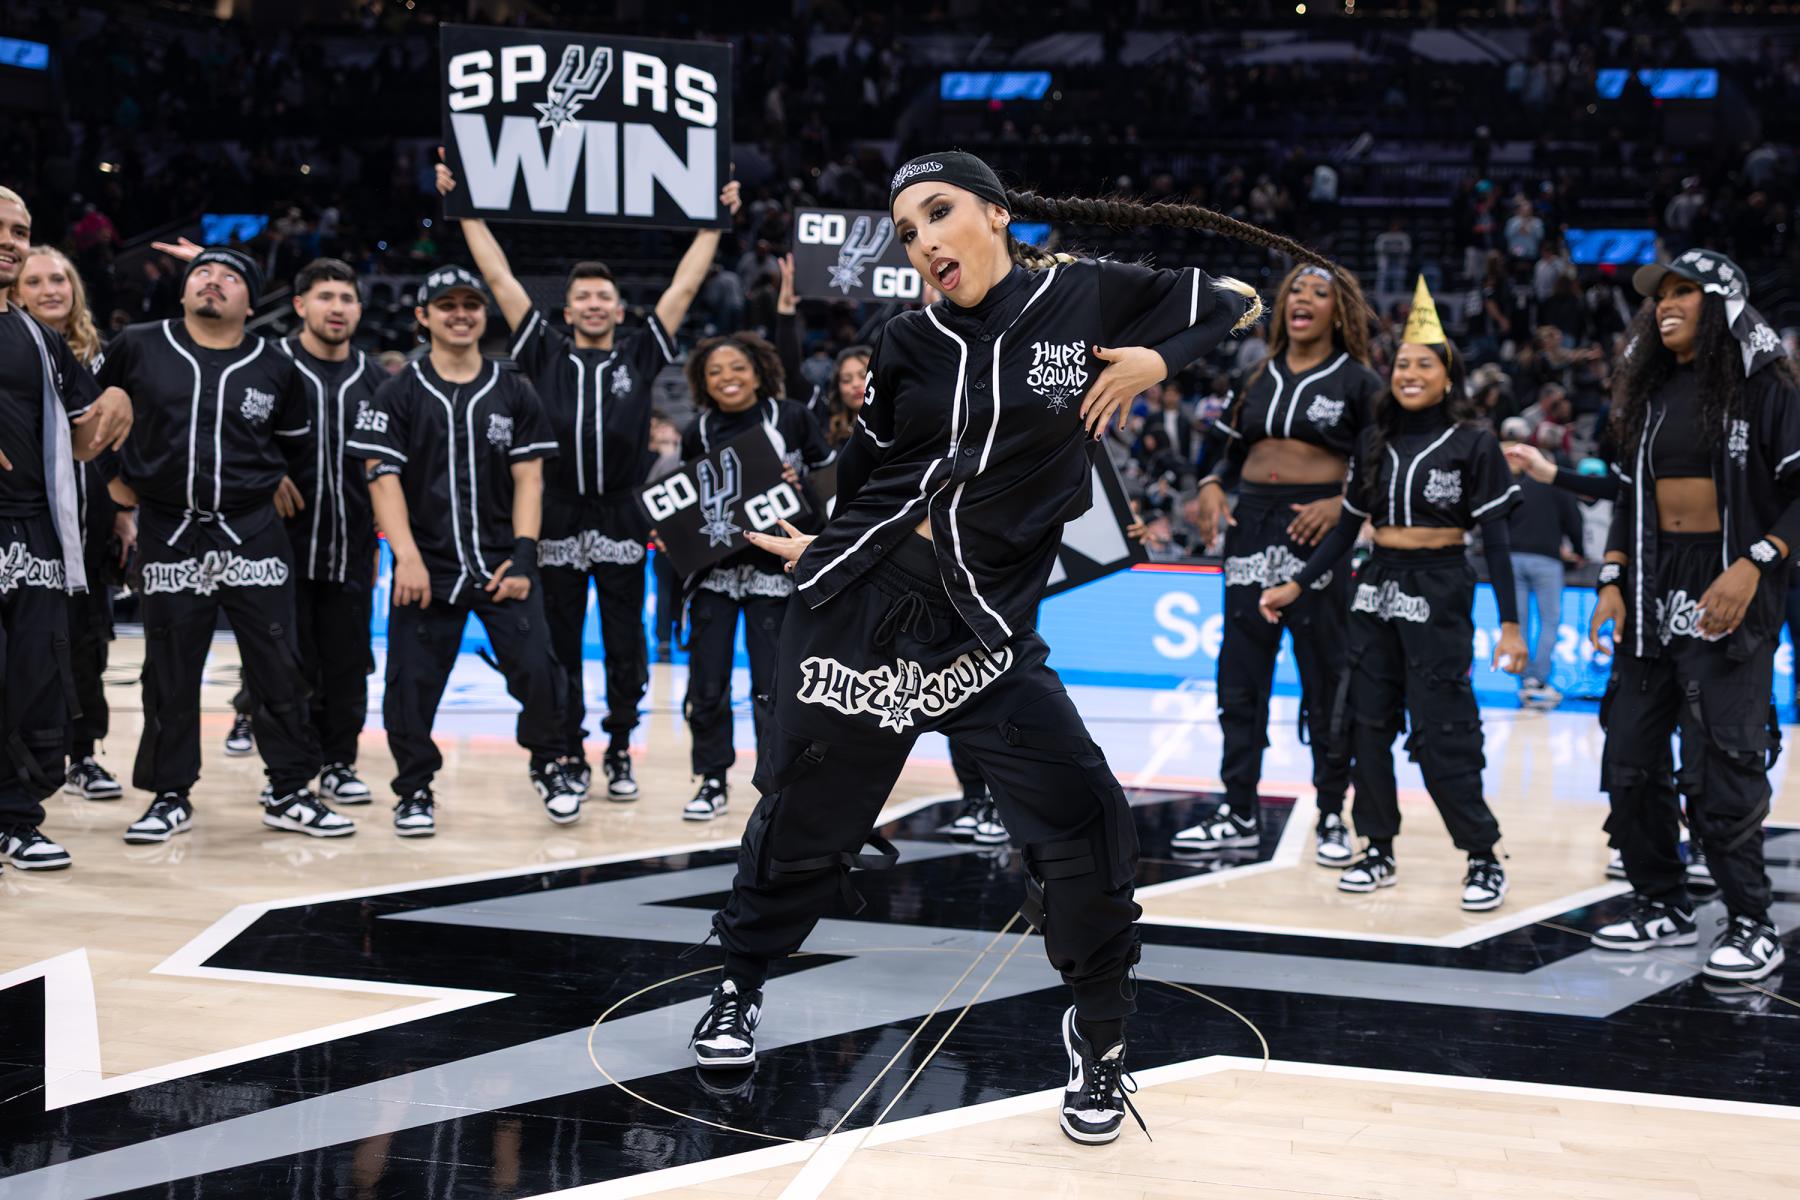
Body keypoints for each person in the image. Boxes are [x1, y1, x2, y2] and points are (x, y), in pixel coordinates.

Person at [689, 151, 1309, 1147]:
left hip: (984, 626)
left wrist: (1154, 362)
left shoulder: (1084, 294)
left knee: (1084, 819)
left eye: (939, 213)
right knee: (806, 813)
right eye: (908, 232)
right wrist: (824, 537)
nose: (924, 241)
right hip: (865, 605)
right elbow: (871, 461)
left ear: (995, 214)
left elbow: (1237, 296)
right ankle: (737, 983)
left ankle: (1099, 1037)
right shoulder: (905, 339)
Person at [437, 155, 740, 802]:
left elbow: (684, 288)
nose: (595, 303)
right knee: (560, 645)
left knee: (627, 646)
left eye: (604, 296)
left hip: (623, 514)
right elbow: (499, 277)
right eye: (583, 297)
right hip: (556, 514)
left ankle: (621, 747)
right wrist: (465, 211)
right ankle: (567, 750)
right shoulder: (542, 351)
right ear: (568, 310)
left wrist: (713, 224)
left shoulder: (641, 351)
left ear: (619, 309)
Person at [1261, 277, 1527, 911]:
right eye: (1402, 364)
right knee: (1364, 726)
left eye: (1424, 365)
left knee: (1443, 731)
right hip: (1375, 584)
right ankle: (1376, 847)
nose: (1409, 374)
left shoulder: (1475, 442)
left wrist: (1511, 625)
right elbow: (1346, 529)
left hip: (1441, 585)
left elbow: (1495, 542)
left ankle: (1482, 855)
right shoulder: (1374, 440)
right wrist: (1298, 582)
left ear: (1447, 376)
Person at [1586, 249, 1797, 982]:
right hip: (1650, 588)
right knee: (1629, 761)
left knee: (1721, 769)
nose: (1666, 305)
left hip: (1729, 588)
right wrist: (1611, 578)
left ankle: (1752, 922)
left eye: (1684, 292)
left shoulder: (1765, 386)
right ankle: (1662, 903)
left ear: (1723, 305)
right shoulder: (1646, 392)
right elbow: (1626, 499)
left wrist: (1756, 561)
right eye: (1660, 296)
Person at [97, 245, 350, 843]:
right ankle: (169, 794)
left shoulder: (276, 364)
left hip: (252, 532)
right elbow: (87, 417)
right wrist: (113, 486)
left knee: (279, 667)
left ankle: (289, 791)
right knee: (169, 668)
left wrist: (272, 477)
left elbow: (294, 446)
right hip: (170, 530)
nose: (213, 281)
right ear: (184, 290)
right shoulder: (137, 344)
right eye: (202, 273)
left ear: (251, 301)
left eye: (230, 277)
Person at [349, 266, 575, 837]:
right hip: (427, 566)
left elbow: (530, 480)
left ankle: (550, 763)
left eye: (470, 304)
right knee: (410, 686)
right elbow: (381, 477)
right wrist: (406, 557)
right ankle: (413, 789)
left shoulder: (513, 389)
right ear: (423, 316)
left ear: (483, 314)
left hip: (502, 563)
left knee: (540, 674)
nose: (460, 314)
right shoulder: (397, 390)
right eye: (446, 305)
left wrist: (524, 556)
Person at [1187, 263, 1382, 867]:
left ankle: (1332, 813)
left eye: (1320, 293)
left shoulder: (1360, 381)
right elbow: (1222, 451)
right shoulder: (1255, 376)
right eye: (1296, 289)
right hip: (1250, 529)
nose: (1303, 299)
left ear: (1338, 312)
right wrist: (1212, 483)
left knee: (1327, 680)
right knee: (1239, 679)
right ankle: (1238, 810)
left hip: (1315, 531)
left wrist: (1343, 504)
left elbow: (1380, 465)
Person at [0, 187, 134, 871]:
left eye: (20, 230)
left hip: (34, 536)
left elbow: (85, 439)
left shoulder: (41, 340)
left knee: (33, 686)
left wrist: (115, 400)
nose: (10, 240)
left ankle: (15, 821)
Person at [674, 332, 831, 821]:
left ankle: (777, 785)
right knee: (707, 684)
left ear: (760, 372)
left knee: (773, 686)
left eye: (738, 368)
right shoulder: (697, 431)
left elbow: (832, 487)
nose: (728, 378)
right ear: (702, 381)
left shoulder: (792, 418)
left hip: (775, 573)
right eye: (715, 371)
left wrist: (801, 487)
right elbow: (684, 507)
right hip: (715, 577)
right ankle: (711, 779)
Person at [1498, 416, 1585, 708]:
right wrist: (1579, 550)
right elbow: (1574, 521)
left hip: (1513, 558)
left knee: (1519, 622)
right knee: (1549, 621)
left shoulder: (1516, 485)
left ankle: (1525, 682)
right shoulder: (1557, 487)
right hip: (1546, 560)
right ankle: (1538, 681)